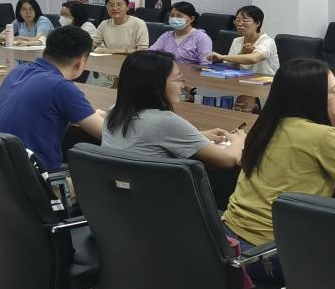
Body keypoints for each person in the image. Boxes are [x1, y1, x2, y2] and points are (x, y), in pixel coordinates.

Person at [221, 58, 335, 282]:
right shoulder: (321, 136)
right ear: (312, 97)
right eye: (334, 92)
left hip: (228, 240)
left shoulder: (267, 124)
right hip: (270, 254)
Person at [101, 50, 244, 202]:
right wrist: (238, 139)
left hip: (116, 204)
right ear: (155, 86)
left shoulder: (114, 112)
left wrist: (199, 135)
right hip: (158, 207)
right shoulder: (166, 122)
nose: (182, 85)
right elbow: (228, 160)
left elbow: (146, 136)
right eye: (178, 79)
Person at [0, 26, 104, 171]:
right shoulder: (61, 87)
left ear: (45, 51)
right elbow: (106, 134)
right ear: (80, 62)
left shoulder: (18, 71)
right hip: (33, 175)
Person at [206, 5, 279, 75]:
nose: (240, 24)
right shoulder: (237, 41)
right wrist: (241, 53)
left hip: (267, 81)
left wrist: (222, 57)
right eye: (237, 21)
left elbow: (254, 58)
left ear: (257, 23)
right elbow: (230, 65)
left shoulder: (267, 41)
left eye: (245, 21)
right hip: (244, 80)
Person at [149, 1, 212, 67]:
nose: (174, 19)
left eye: (179, 16)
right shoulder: (166, 36)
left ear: (191, 19)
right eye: (172, 15)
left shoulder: (201, 37)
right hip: (168, 71)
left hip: (190, 73)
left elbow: (205, 65)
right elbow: (150, 54)